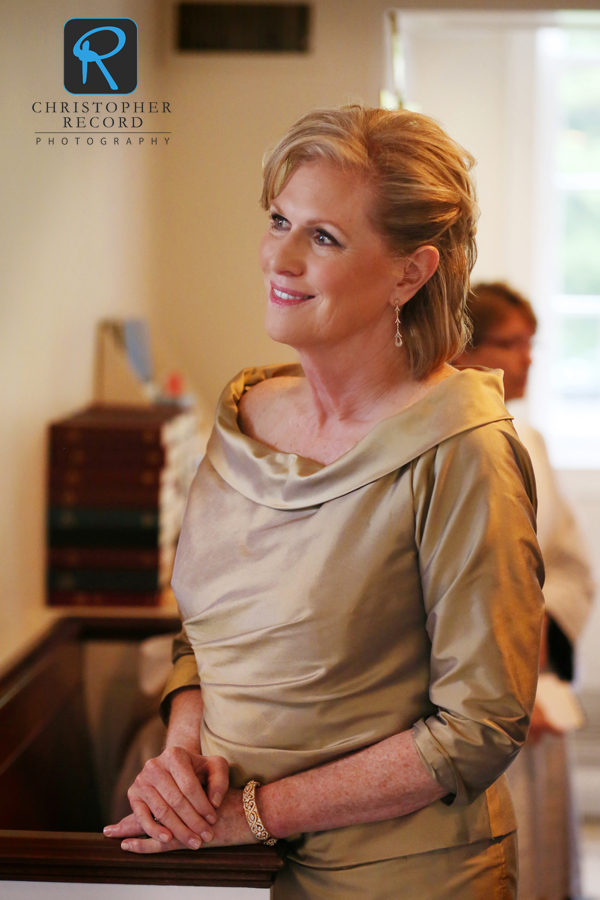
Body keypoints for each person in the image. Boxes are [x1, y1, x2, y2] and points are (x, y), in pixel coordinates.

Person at [104, 105, 545, 899]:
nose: (281, 256)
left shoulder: (462, 449)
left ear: (411, 272)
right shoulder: (242, 418)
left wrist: (251, 813)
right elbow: (204, 638)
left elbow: (478, 728)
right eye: (280, 220)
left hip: (405, 880)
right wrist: (181, 757)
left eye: (325, 237)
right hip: (229, 868)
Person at [455, 282, 595, 900]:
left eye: (531, 343)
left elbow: (567, 569)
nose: (528, 358)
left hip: (532, 684)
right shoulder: (442, 443)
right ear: (463, 349)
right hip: (470, 697)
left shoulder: (529, 440)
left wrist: (536, 652)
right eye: (510, 343)